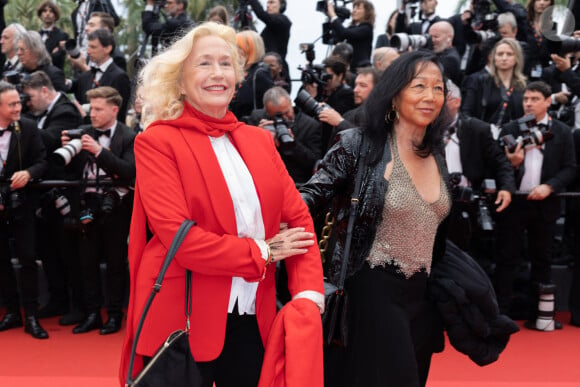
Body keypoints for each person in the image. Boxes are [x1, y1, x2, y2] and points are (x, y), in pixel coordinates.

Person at [119, 22, 324, 386]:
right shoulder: (157, 142)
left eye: (226, 63)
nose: (218, 73)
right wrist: (262, 251)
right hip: (181, 317)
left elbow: (299, 221)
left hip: (253, 313)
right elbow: (181, 239)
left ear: (238, 77)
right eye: (204, 64)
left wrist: (308, 295)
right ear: (180, 81)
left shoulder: (259, 141)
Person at [300, 50, 452, 387]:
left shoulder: (436, 153)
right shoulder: (358, 144)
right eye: (419, 86)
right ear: (395, 94)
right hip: (373, 289)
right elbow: (311, 194)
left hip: (422, 299)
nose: (430, 96)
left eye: (438, 88)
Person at [494, 81, 576, 328]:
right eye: (526, 99)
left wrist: (549, 186)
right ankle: (501, 315)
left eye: (534, 99)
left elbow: (571, 167)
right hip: (515, 202)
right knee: (507, 258)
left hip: (546, 202)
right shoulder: (510, 127)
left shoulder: (562, 131)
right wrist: (515, 162)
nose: (528, 103)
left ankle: (540, 315)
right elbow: (500, 166)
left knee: (542, 259)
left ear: (548, 102)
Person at [61, 86, 135, 335]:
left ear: (114, 110)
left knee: (116, 262)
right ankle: (92, 314)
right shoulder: (82, 134)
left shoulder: (129, 136)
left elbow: (129, 172)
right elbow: (67, 172)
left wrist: (99, 151)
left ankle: (114, 315)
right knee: (87, 261)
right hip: (87, 204)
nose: (92, 114)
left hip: (117, 205)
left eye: (98, 109)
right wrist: (69, 152)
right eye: (91, 108)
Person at [20, 71, 84, 324]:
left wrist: (23, 126)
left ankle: (78, 305)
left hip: (66, 193)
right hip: (42, 195)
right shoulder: (33, 115)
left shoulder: (66, 110)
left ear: (45, 91)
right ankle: (57, 299)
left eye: (30, 97)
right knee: (48, 250)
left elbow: (47, 142)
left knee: (70, 252)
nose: (26, 103)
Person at [443, 80, 515, 259]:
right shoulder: (424, 129)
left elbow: (500, 161)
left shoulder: (477, 129)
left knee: (467, 255)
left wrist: (506, 188)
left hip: (468, 201)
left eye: (442, 98)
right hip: (432, 201)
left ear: (456, 102)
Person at [0, 81, 48, 339]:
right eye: (12, 104)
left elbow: (42, 161)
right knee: (1, 262)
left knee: (28, 257)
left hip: (23, 205)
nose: (18, 107)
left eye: (18, 102)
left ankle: (31, 314)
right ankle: (11, 311)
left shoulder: (28, 127)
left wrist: (29, 173)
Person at [248, 86, 322, 185]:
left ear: (291, 103)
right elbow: (247, 155)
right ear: (267, 112)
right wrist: (258, 136)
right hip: (265, 180)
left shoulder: (310, 125)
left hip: (296, 183)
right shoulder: (257, 118)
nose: (284, 118)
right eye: (277, 116)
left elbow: (314, 162)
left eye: (287, 112)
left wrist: (293, 144)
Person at [461, 38, 526, 132]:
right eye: (500, 54)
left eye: (509, 54)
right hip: (483, 137)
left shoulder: (523, 86)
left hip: (513, 140)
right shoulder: (478, 81)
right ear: (493, 58)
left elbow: (527, 116)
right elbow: (466, 114)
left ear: (517, 58)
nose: (504, 58)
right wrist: (485, 129)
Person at [68, 28, 131, 123]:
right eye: (88, 47)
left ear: (108, 49)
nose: (88, 51)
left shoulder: (119, 76)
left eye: (93, 47)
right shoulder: (85, 76)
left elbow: (119, 113)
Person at [229, 30, 274, 121]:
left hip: (253, 129)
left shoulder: (260, 74)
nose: (233, 50)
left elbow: (272, 104)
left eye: (238, 47)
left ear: (249, 50)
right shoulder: (240, 73)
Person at [325, 0, 374, 71]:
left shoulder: (367, 28)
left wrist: (333, 15)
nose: (354, 11)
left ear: (367, 13)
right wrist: (330, 18)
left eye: (358, 8)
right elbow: (334, 39)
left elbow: (344, 33)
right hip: (350, 69)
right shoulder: (352, 28)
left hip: (360, 70)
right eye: (353, 8)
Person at [36, 1, 69, 70]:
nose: (47, 14)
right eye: (44, 11)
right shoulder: (36, 36)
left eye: (51, 11)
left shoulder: (62, 36)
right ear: (40, 15)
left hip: (54, 75)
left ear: (55, 15)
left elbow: (57, 59)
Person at [428, 21, 462, 87]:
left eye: (436, 36)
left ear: (449, 38)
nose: (432, 40)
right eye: (430, 37)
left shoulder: (450, 59)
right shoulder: (442, 52)